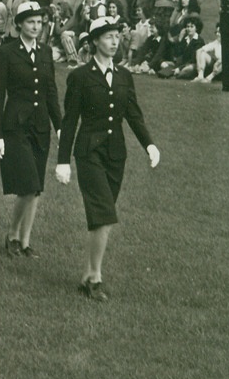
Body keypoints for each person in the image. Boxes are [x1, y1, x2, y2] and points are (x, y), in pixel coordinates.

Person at [55, 15, 160, 303]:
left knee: (100, 218)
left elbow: (133, 115)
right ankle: (96, 278)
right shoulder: (79, 76)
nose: (115, 41)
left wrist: (149, 144)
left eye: (117, 36)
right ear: (94, 42)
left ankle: (87, 276)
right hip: (89, 152)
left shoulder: (125, 76)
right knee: (104, 213)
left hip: (116, 154)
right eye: (108, 36)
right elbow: (70, 119)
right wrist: (62, 160)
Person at [0, 0, 62, 258]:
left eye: (39, 22)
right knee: (28, 184)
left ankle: (25, 241)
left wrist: (59, 125)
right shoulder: (7, 52)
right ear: (19, 24)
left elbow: (50, 90)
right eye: (30, 21)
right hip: (15, 126)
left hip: (40, 126)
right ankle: (12, 235)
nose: (36, 26)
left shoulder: (45, 51)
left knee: (36, 188)